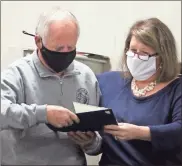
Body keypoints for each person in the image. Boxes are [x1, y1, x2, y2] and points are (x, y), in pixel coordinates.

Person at [69, 18, 182, 166]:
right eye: (133, 50)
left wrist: (141, 133)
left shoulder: (176, 89)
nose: (136, 58)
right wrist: (89, 141)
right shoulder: (108, 82)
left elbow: (178, 131)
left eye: (144, 54)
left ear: (163, 58)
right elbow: (99, 138)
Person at [1, 7, 101, 165]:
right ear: (38, 41)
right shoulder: (17, 73)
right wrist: (43, 114)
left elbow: (98, 143)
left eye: (71, 48)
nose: (66, 53)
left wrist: (90, 142)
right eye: (59, 48)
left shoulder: (87, 76)